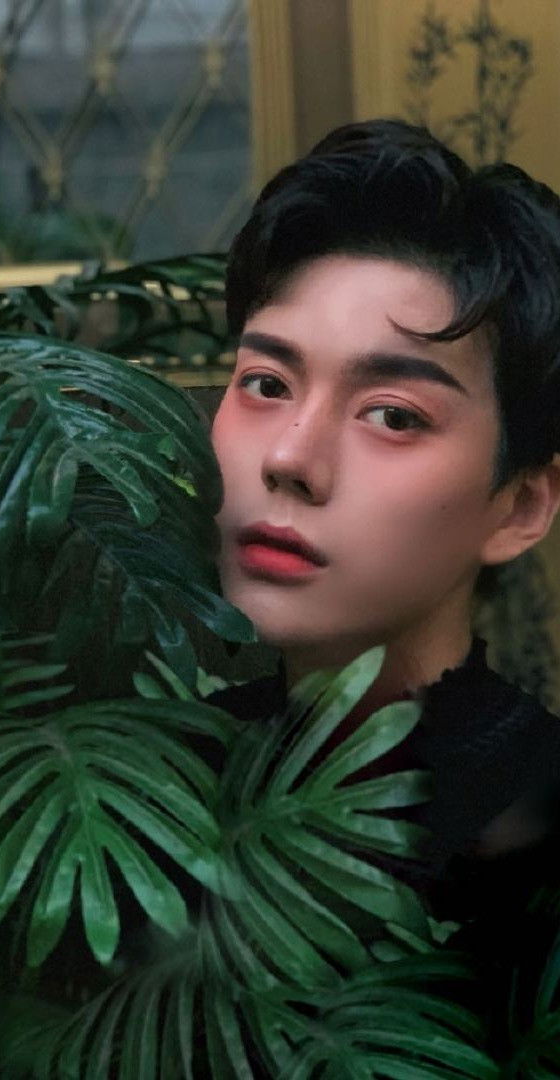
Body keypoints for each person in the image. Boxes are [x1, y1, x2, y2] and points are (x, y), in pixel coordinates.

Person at [208, 119, 560, 932]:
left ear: (520, 507)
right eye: (266, 384)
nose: (290, 459)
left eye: (394, 415)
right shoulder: (142, 795)